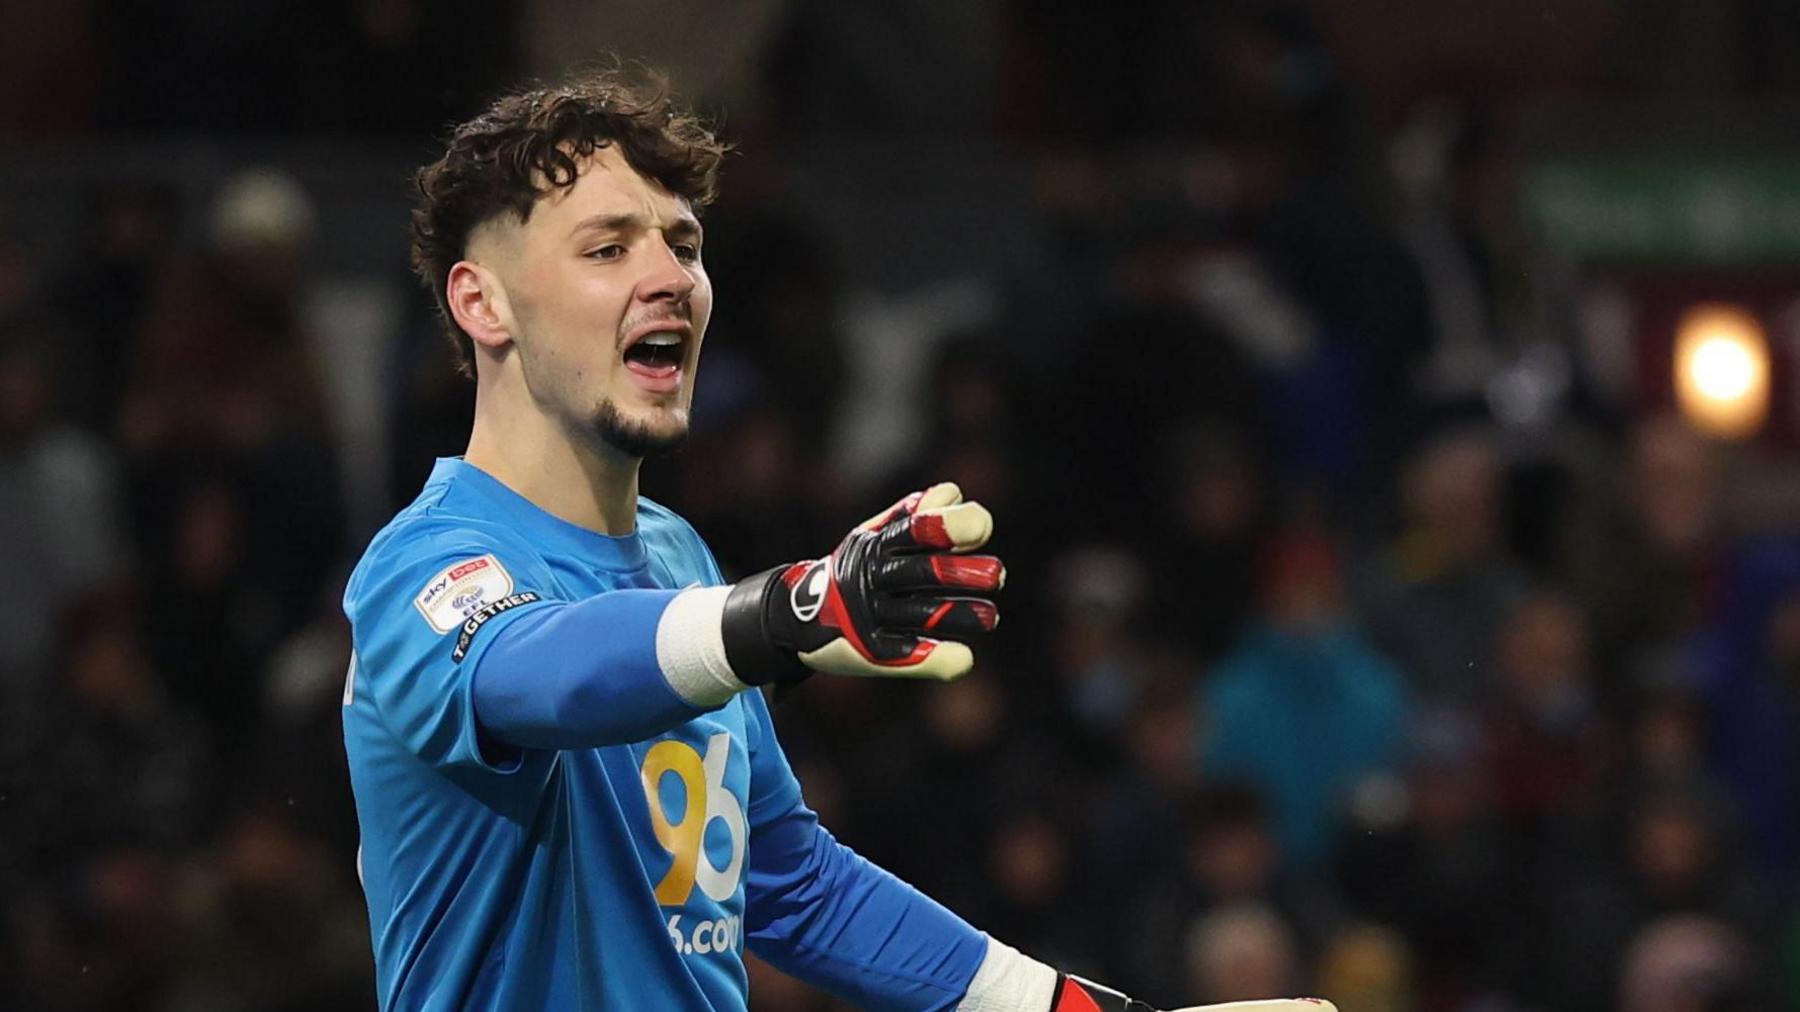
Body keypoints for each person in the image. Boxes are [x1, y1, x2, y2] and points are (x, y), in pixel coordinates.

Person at [342, 67, 1335, 1012]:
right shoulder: (423, 563)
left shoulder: (681, 557)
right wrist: (783, 612)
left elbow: (788, 878)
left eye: (682, 245)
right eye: (608, 249)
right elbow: (537, 678)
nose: (672, 280)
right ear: (484, 303)